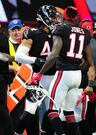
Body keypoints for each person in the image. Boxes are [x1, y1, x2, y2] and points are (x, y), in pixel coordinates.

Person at [30, 5, 95, 135]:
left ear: (64, 16)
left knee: (52, 109)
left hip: (64, 73)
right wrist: (76, 68)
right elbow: (89, 62)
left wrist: (39, 74)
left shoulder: (61, 29)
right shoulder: (85, 33)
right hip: (77, 76)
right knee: (69, 111)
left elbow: (53, 55)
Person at [14, 5, 59, 135]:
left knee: (53, 111)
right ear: (44, 18)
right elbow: (18, 56)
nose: (54, 20)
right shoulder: (33, 34)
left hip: (54, 78)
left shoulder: (58, 33)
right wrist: (35, 60)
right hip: (38, 78)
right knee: (30, 111)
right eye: (51, 17)